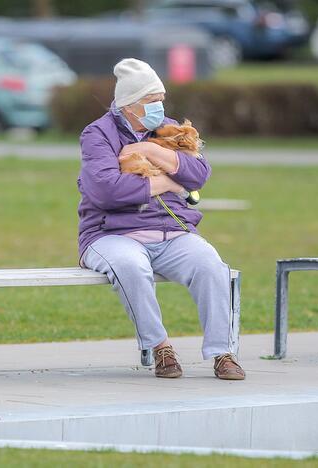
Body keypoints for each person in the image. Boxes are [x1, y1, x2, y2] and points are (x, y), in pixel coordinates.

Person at [77, 58, 245, 380]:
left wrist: (154, 154)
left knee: (211, 265)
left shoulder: (166, 128)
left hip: (171, 232)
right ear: (129, 104)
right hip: (110, 235)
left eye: (161, 98)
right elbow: (107, 191)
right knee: (129, 266)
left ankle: (222, 352)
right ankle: (160, 348)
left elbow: (199, 173)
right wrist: (169, 182)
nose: (160, 106)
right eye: (152, 100)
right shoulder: (97, 134)